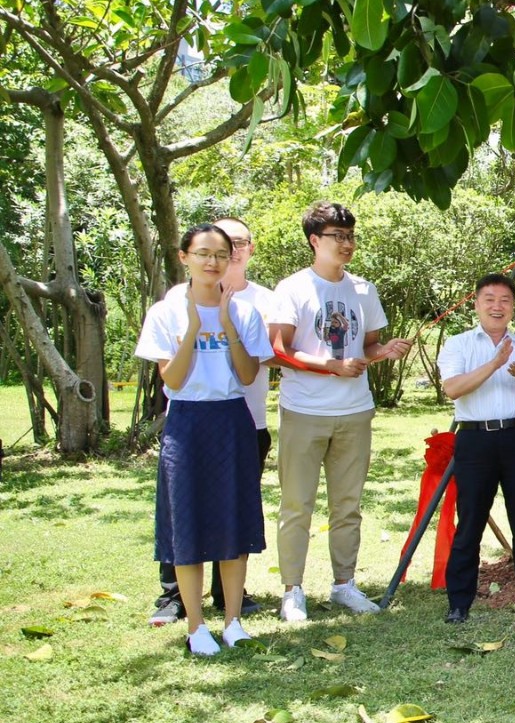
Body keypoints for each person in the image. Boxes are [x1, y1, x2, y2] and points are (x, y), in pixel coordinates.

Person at [135, 224, 275, 654]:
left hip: (233, 418)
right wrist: (195, 328)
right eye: (202, 253)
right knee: (188, 523)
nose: (212, 262)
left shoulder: (245, 311)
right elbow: (171, 380)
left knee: (234, 520)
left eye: (221, 253)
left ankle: (232, 620)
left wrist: (228, 325)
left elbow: (250, 375)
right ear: (184, 257)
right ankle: (197, 626)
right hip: (187, 423)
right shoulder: (166, 312)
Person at [269, 202, 411, 621]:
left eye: (350, 236)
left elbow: (365, 347)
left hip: (355, 411)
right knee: (297, 503)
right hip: (303, 410)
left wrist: (382, 353)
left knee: (347, 504)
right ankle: (292, 590)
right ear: (315, 240)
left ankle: (344, 585)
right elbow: (279, 350)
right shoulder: (292, 288)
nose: (346, 244)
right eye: (337, 236)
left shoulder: (363, 290)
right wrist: (329, 366)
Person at [437, 274, 515, 624]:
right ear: (476, 303)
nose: (497, 306)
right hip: (475, 439)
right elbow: (454, 389)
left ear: (512, 306)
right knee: (471, 520)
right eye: (489, 299)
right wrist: (494, 363)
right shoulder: (458, 344)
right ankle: (459, 602)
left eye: (504, 300)